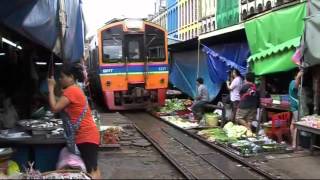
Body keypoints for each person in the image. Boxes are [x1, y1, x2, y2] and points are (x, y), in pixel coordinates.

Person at [47, 63, 100, 178]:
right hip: (88, 135)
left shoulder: (70, 91)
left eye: (62, 77)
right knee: (93, 168)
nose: (60, 80)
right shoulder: (76, 89)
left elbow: (55, 108)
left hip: (86, 135)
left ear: (71, 77)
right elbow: (60, 102)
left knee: (91, 171)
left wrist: (50, 88)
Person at [289, 70, 303, 149]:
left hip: (295, 106)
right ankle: (295, 144)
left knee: (293, 123)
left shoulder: (297, 82)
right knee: (297, 125)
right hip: (295, 106)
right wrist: (299, 76)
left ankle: (293, 143)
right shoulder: (293, 82)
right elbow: (295, 87)